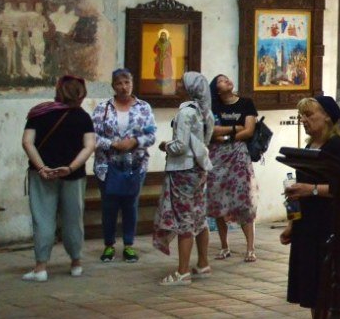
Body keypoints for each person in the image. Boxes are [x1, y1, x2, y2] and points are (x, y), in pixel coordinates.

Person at [282, 95, 340, 319]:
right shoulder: (309, 146)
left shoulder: (337, 147)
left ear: (327, 117)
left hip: (330, 222)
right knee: (313, 283)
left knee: (329, 284)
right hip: (307, 224)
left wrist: (310, 190)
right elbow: (298, 189)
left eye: (309, 115)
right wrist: (292, 223)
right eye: (302, 116)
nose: (304, 120)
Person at [20, 75, 96, 281]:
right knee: (73, 219)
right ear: (80, 94)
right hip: (73, 176)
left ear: (58, 91)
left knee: (43, 219)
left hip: (42, 176)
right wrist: (70, 168)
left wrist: (42, 167)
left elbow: (27, 142)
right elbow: (90, 146)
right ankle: (76, 264)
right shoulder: (82, 117)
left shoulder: (39, 113)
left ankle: (41, 268)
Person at [152, 71, 213, 285]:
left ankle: (183, 271)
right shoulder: (206, 113)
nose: (177, 85)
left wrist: (164, 145)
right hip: (199, 169)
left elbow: (179, 146)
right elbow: (205, 142)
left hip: (183, 170)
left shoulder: (186, 113)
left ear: (189, 89)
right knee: (199, 216)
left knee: (184, 218)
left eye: (181, 83)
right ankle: (203, 263)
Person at [91, 68, 156, 261]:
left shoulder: (143, 108)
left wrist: (135, 141)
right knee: (109, 206)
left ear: (132, 84)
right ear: (113, 86)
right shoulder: (103, 108)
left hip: (135, 166)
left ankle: (128, 245)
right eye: (119, 83)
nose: (123, 87)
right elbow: (93, 136)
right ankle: (109, 245)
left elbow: (151, 135)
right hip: (107, 166)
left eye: (127, 82)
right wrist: (113, 144)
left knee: (130, 205)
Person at [207, 74, 259, 262]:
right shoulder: (213, 107)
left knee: (244, 199)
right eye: (221, 80)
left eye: (227, 78)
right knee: (217, 200)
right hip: (217, 156)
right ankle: (224, 246)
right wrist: (235, 128)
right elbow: (211, 130)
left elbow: (249, 130)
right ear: (217, 90)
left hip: (238, 155)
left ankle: (250, 248)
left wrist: (227, 136)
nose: (227, 80)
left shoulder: (246, 103)